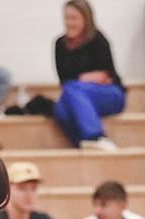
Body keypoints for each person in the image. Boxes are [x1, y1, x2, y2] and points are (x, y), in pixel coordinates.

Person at [53, 0, 125, 150]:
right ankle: (84, 144)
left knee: (73, 88)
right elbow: (63, 79)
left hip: (110, 95)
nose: (69, 22)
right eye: (66, 18)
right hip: (76, 94)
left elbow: (107, 76)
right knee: (60, 109)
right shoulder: (59, 44)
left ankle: (96, 136)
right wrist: (84, 79)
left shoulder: (98, 40)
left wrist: (81, 82)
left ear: (85, 19)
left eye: (73, 18)